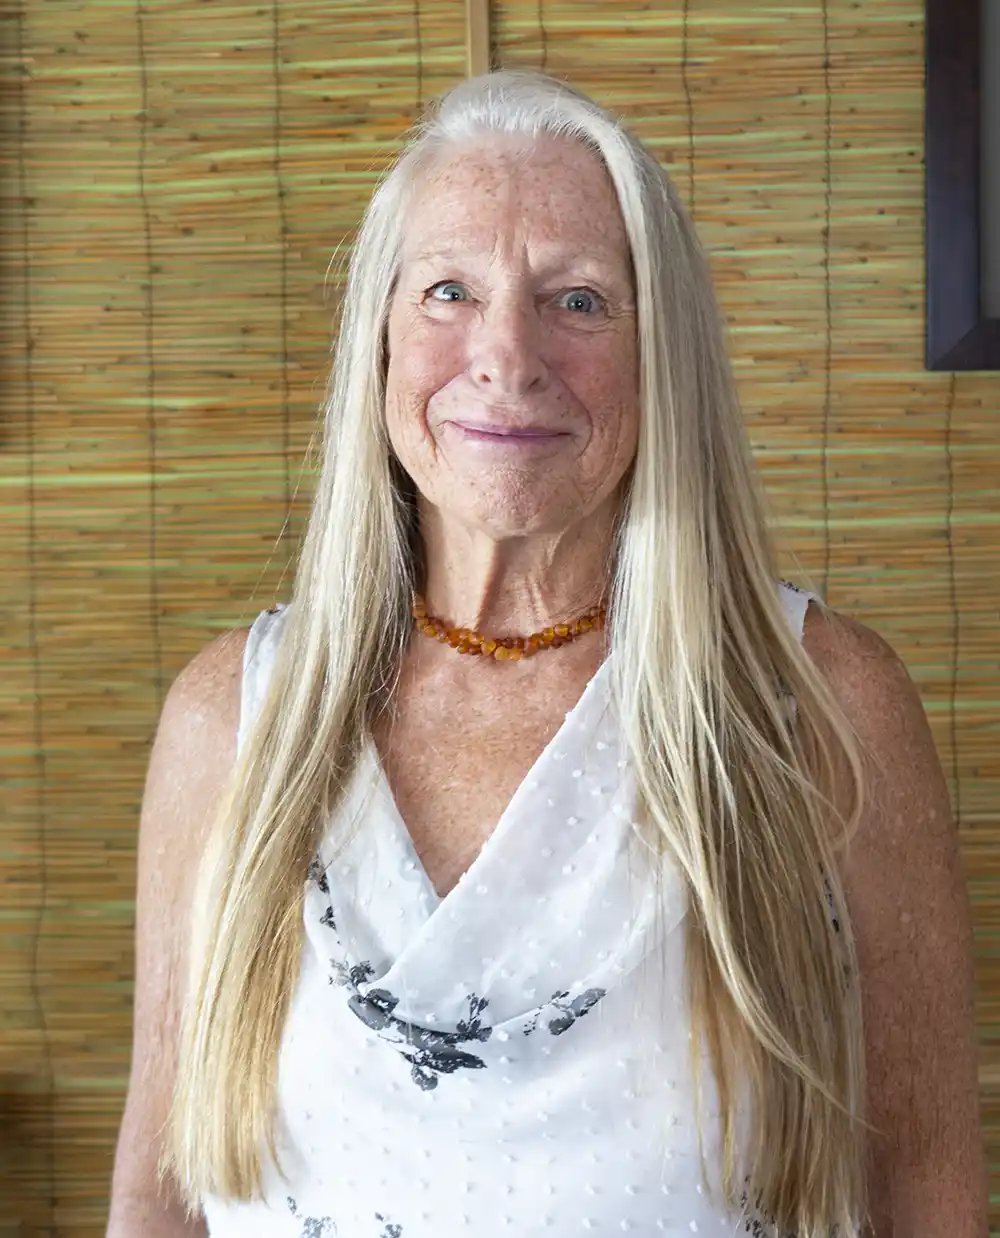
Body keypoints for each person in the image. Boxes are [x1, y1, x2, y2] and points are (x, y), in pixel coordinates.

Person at [106, 70, 987, 1238]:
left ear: (658, 352)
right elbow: (159, 1193)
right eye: (449, 290)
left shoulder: (822, 708)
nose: (505, 356)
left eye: (576, 300)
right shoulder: (232, 718)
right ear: (376, 337)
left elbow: (928, 1189)